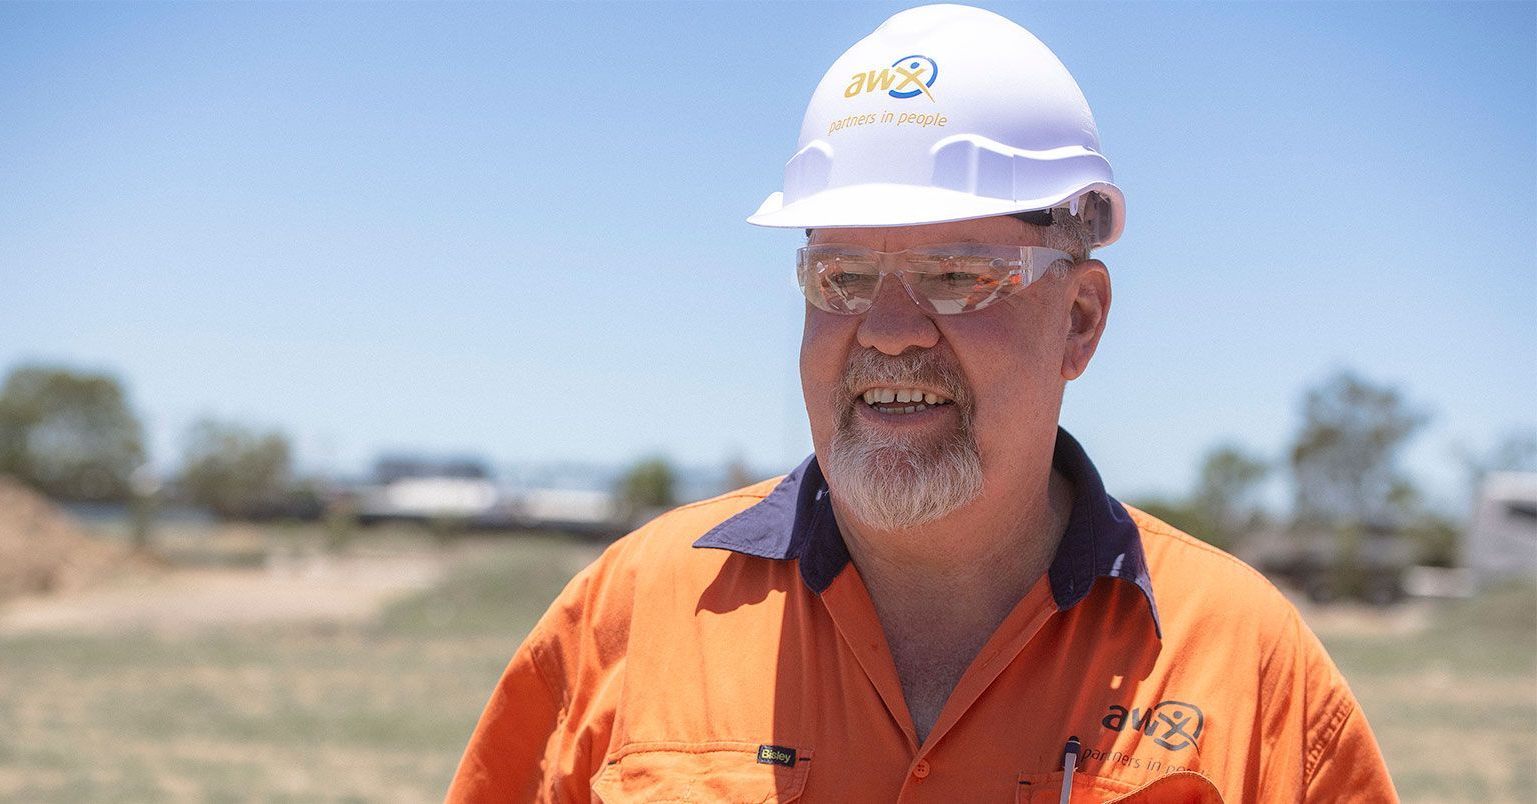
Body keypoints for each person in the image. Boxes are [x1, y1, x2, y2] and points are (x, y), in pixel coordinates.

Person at [446, 5, 1398, 802]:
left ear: (1081, 318)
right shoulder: (631, 614)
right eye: (844, 275)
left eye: (956, 274)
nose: (890, 330)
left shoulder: (1246, 663)